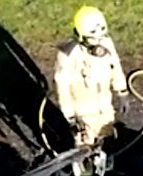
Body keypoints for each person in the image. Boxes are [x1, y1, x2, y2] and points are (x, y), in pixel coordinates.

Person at [53, 5, 131, 149]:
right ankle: (83, 168)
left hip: (105, 107)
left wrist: (122, 92)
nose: (98, 43)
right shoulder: (68, 55)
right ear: (81, 36)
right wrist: (69, 116)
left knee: (108, 139)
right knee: (86, 146)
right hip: (83, 112)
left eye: (101, 36)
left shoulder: (106, 43)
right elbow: (62, 86)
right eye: (93, 39)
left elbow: (115, 66)